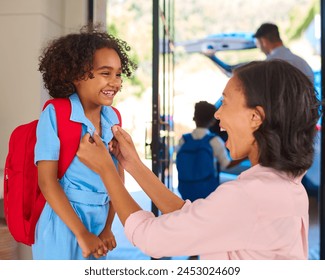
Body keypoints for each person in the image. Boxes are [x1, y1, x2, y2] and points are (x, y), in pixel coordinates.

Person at [77, 60, 321, 260]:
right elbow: (194, 215)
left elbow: (151, 238)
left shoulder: (248, 196)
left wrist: (107, 170)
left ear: (256, 117)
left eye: (224, 102)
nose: (217, 113)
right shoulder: (284, 186)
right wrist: (133, 165)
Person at [33, 24, 137, 259]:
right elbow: (47, 182)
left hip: (99, 225)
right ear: (77, 75)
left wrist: (108, 226)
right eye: (105, 73)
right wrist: (80, 232)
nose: (115, 82)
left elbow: (117, 179)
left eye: (118, 74)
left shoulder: (113, 119)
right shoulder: (55, 114)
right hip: (63, 223)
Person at [176, 101, 240, 202]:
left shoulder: (183, 140)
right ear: (212, 121)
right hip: (207, 191)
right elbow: (226, 165)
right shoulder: (214, 141)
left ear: (194, 118)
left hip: (185, 190)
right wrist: (246, 156)